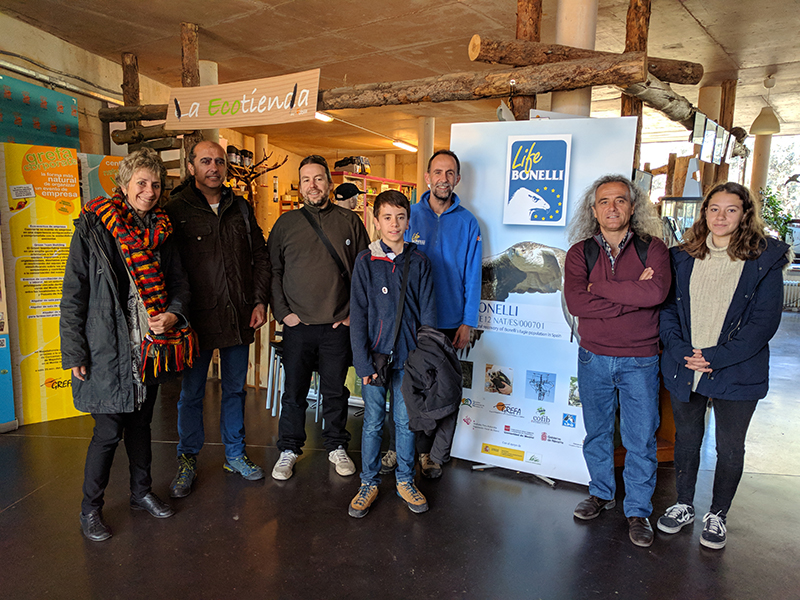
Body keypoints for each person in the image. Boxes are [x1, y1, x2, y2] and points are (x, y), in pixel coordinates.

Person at [60, 148, 194, 541]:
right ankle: (90, 509)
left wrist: (174, 314)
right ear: (124, 184)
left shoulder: (163, 231)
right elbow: (74, 293)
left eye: (156, 184)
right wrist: (74, 351)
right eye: (141, 183)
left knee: (140, 426)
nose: (149, 191)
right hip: (106, 347)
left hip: (148, 348)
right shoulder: (94, 225)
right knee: (107, 432)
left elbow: (180, 283)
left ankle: (141, 492)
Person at [657, 182, 790, 550]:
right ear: (704, 212)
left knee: (730, 447)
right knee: (687, 439)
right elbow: (667, 310)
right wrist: (681, 349)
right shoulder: (681, 256)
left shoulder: (763, 259)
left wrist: (714, 357)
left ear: (745, 214)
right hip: (686, 363)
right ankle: (684, 504)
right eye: (714, 208)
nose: (721, 216)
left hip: (737, 369)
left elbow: (764, 322)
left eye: (731, 209)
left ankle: (718, 514)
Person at [563, 174, 670, 548]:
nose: (612, 207)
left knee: (640, 439)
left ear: (632, 206)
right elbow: (577, 302)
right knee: (597, 433)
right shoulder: (580, 253)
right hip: (593, 357)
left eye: (620, 200)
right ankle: (601, 493)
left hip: (640, 359)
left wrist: (600, 290)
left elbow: (656, 293)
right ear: (594, 210)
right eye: (604, 201)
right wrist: (632, 297)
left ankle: (638, 511)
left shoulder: (653, 249)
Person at [164, 140, 271, 497]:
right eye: (206, 161)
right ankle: (187, 458)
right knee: (192, 393)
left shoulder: (240, 206)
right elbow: (168, 269)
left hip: (238, 315)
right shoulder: (175, 209)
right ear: (191, 166)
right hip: (194, 321)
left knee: (235, 390)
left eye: (220, 162)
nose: (214, 167)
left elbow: (260, 256)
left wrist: (259, 301)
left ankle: (235, 454)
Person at [268, 155, 370, 480]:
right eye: (306, 180)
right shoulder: (285, 224)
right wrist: (283, 314)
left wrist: (353, 315)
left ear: (329, 182)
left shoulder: (350, 221)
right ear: (300, 186)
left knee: (335, 392)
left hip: (337, 325)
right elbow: (273, 271)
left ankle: (336, 445)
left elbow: (364, 272)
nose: (313, 185)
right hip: (298, 326)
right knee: (294, 392)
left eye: (318, 178)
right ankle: (288, 449)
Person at [348, 190, 436, 518]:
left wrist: (424, 361)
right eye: (387, 217)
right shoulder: (365, 261)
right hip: (374, 359)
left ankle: (404, 480)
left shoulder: (420, 262)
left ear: (408, 221)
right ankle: (368, 482)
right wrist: (362, 363)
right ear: (376, 221)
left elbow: (428, 316)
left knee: (405, 421)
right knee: (372, 422)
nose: (394, 224)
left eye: (400, 217)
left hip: (409, 360)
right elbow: (358, 315)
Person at [403, 149, 481, 478]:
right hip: (413, 320)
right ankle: (410, 450)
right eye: (438, 172)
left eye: (450, 173)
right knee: (412, 388)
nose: (443, 179)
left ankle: (435, 454)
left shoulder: (468, 222)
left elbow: (473, 274)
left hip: (450, 321)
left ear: (457, 179)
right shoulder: (409, 215)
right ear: (427, 177)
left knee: (445, 390)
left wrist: (468, 321)